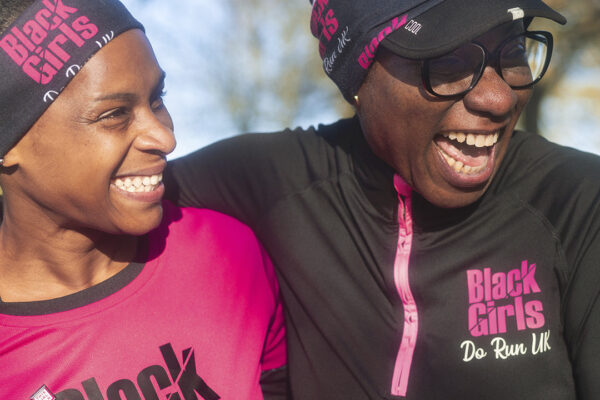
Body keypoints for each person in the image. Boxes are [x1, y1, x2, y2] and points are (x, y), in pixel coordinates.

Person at [164, 0, 600, 398]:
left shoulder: (576, 201)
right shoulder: (279, 181)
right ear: (358, 78)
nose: (499, 98)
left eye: (514, 52)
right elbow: (116, 191)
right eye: (447, 61)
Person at [0, 1, 286, 399]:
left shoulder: (227, 256)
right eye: (113, 114)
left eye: (157, 99)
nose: (166, 139)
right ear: (11, 142)